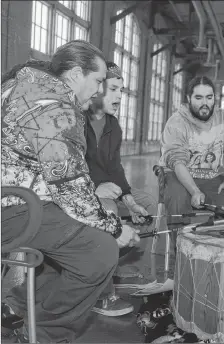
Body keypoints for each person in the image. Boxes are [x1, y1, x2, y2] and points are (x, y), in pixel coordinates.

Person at [1, 40, 140, 343]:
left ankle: (17, 307)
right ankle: (43, 335)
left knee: (69, 245)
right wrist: (115, 229)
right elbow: (71, 187)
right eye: (99, 81)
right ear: (76, 74)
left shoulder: (24, 84)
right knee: (99, 252)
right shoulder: (53, 106)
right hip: (14, 206)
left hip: (17, 197)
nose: (100, 91)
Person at [84, 62, 158, 317]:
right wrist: (95, 189)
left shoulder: (113, 125)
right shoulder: (75, 119)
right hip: (81, 191)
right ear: (96, 87)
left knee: (146, 202)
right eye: (113, 89)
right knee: (109, 209)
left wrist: (130, 201)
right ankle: (102, 295)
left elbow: (115, 167)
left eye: (122, 91)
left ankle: (132, 272)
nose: (119, 97)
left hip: (108, 187)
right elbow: (68, 170)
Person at [158, 76, 224, 228]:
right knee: (178, 199)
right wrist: (194, 191)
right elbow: (177, 161)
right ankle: (180, 248)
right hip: (178, 176)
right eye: (198, 98)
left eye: (209, 97)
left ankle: (217, 246)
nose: (205, 103)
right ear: (188, 98)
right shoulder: (177, 122)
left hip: (213, 177)